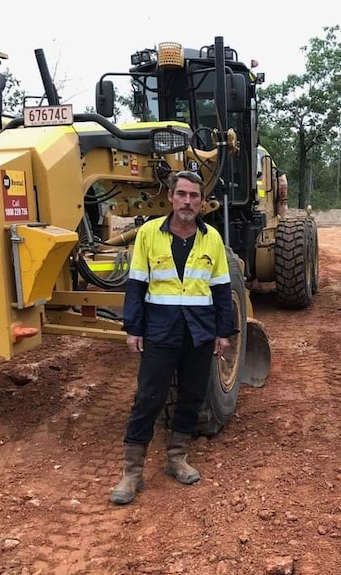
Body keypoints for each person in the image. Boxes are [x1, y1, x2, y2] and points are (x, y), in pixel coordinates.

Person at [111, 170, 235, 505]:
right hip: (160, 330)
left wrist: (225, 332)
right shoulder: (150, 234)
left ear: (201, 201)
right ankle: (131, 472)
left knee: (192, 395)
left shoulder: (212, 240)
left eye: (194, 196)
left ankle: (176, 458)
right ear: (170, 197)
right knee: (148, 398)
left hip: (199, 331)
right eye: (182, 194)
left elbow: (222, 290)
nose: (188, 202)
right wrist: (133, 328)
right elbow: (135, 285)